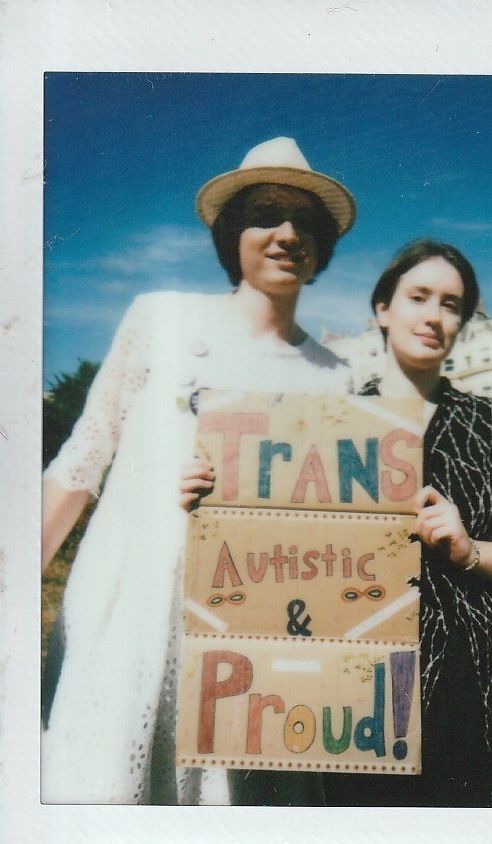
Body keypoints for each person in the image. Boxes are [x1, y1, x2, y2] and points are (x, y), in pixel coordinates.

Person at [41, 137, 356, 804]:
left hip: (248, 634)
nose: (287, 234)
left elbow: (334, 531)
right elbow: (83, 459)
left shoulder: (337, 376)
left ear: (324, 247)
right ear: (231, 234)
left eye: (306, 223)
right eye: (266, 215)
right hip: (130, 606)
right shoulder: (160, 316)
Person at [320, 239, 492, 807]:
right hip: (366, 701)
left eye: (452, 304)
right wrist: (208, 491)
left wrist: (470, 550)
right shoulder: (332, 425)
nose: (434, 315)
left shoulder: (491, 423)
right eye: (419, 297)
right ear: (382, 309)